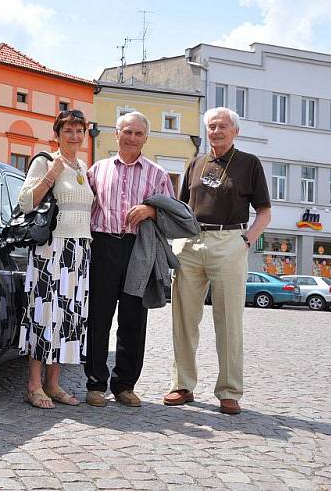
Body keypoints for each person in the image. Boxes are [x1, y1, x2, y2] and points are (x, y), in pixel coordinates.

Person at [165, 107, 271, 415]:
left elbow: (264, 212)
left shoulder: (249, 164)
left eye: (222, 126)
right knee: (183, 318)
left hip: (229, 241)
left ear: (235, 131)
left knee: (228, 320)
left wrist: (247, 240)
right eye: (211, 126)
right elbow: (181, 206)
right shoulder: (195, 163)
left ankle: (229, 390)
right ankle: (182, 384)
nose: (216, 131)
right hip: (191, 240)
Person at [84, 111, 175, 407]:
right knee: (99, 317)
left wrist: (151, 211)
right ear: (117, 134)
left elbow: (173, 216)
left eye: (138, 133)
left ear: (146, 138)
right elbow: (84, 209)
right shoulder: (97, 170)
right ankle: (96, 383)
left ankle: (124, 385)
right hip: (104, 245)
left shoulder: (157, 174)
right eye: (127, 131)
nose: (132, 137)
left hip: (139, 249)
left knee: (134, 319)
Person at [18, 110, 94, 408]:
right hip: (51, 249)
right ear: (57, 134)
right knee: (45, 314)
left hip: (79, 250)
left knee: (67, 318)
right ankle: (34, 385)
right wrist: (51, 175)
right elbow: (25, 202)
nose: (74, 136)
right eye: (68, 131)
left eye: (79, 130)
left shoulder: (83, 167)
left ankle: (53, 384)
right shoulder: (45, 161)